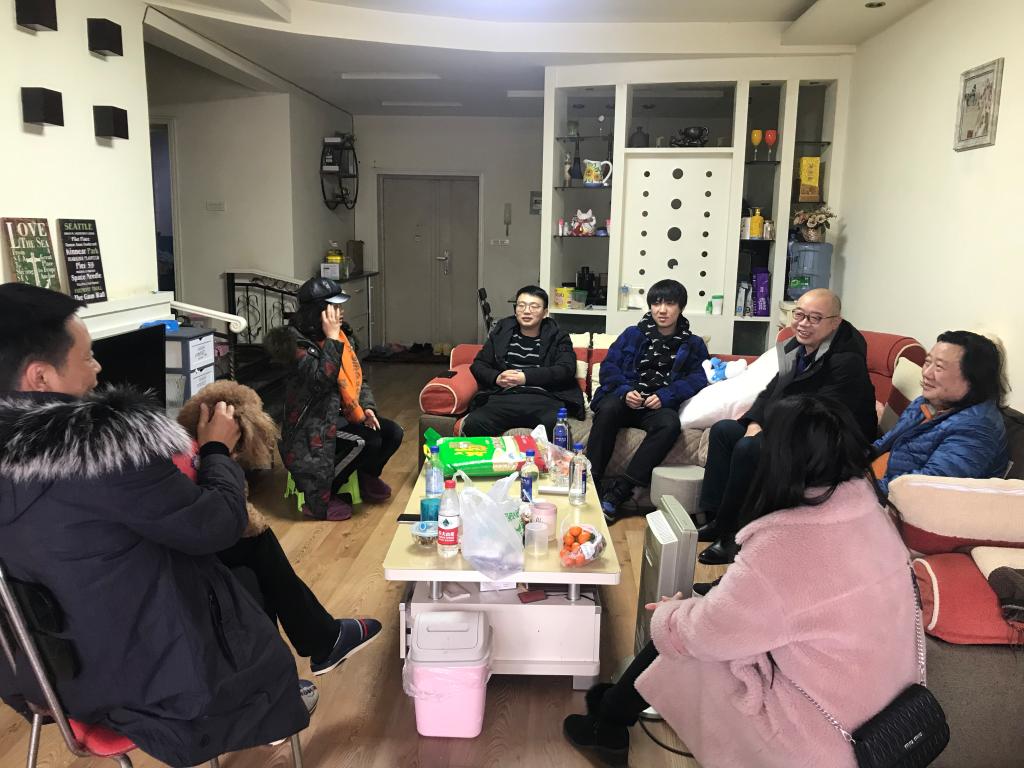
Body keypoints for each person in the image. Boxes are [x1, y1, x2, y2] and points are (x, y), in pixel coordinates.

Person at [0, 284, 320, 765]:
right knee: (245, 567)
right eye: (87, 358)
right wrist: (216, 448)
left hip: (44, 677)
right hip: (150, 690)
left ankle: (321, 636)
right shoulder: (100, 452)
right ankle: (281, 682)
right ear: (41, 376)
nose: (98, 369)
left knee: (242, 558)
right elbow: (217, 525)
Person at [563, 395, 920, 768]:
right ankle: (611, 714)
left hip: (824, 739)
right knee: (703, 612)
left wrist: (672, 614)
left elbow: (705, 633)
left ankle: (608, 725)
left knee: (681, 637)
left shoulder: (786, 545)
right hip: (884, 710)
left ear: (781, 457)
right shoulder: (869, 511)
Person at [697, 288, 875, 565]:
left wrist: (767, 429)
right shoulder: (797, 348)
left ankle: (734, 536)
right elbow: (771, 391)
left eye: (814, 318)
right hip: (794, 427)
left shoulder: (846, 360)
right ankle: (717, 518)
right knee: (724, 431)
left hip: (830, 442)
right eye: (799, 314)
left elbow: (817, 412)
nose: (803, 324)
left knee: (749, 448)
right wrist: (754, 421)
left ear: (835, 322)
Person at [267, 277, 403, 521]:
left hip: (340, 415)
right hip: (311, 426)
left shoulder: (341, 337)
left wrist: (367, 407)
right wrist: (331, 339)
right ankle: (321, 496)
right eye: (335, 307)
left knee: (393, 433)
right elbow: (321, 382)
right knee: (365, 442)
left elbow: (359, 380)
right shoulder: (295, 345)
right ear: (318, 311)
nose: (341, 312)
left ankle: (366, 475)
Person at [586, 279, 709, 522]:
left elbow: (698, 377)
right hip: (625, 399)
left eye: (669, 304)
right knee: (608, 408)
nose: (662, 310)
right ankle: (591, 481)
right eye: (656, 303)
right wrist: (624, 391)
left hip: (657, 405)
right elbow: (609, 366)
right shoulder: (632, 334)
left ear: (681, 307)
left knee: (670, 424)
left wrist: (666, 396)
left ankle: (620, 491)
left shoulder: (693, 343)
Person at [873, 330, 1009, 494]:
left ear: (973, 378)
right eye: (927, 362)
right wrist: (851, 463)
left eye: (939, 367)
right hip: (875, 482)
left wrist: (859, 487)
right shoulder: (929, 401)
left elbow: (923, 490)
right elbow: (884, 443)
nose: (926, 373)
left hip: (895, 501)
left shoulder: (978, 429)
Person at [462, 285, 585, 436]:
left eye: (534, 306)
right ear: (515, 310)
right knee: (474, 423)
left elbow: (566, 369)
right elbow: (479, 364)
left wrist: (525, 378)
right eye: (521, 305)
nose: (527, 311)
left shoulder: (558, 336)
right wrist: (496, 378)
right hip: (504, 395)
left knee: (557, 428)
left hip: (544, 397)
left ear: (545, 312)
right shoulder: (501, 332)